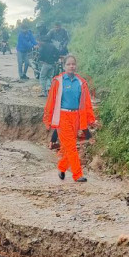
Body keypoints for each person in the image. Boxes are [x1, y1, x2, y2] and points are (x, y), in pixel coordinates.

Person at [43, 55, 97, 183]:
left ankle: (62, 167)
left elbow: (86, 102)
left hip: (76, 116)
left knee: (69, 146)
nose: (71, 66)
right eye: (68, 64)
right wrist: (48, 118)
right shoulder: (58, 81)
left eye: (73, 64)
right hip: (63, 116)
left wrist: (90, 119)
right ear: (64, 66)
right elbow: (51, 101)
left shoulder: (81, 82)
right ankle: (77, 175)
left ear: (76, 65)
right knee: (71, 146)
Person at [36, 28, 59, 96]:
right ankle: (49, 88)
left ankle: (43, 91)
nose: (39, 42)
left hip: (46, 64)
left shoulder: (42, 46)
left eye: (40, 41)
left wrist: (41, 60)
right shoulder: (52, 46)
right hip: (52, 64)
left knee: (43, 77)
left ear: (43, 41)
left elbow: (40, 55)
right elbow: (57, 53)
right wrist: (55, 60)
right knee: (49, 77)